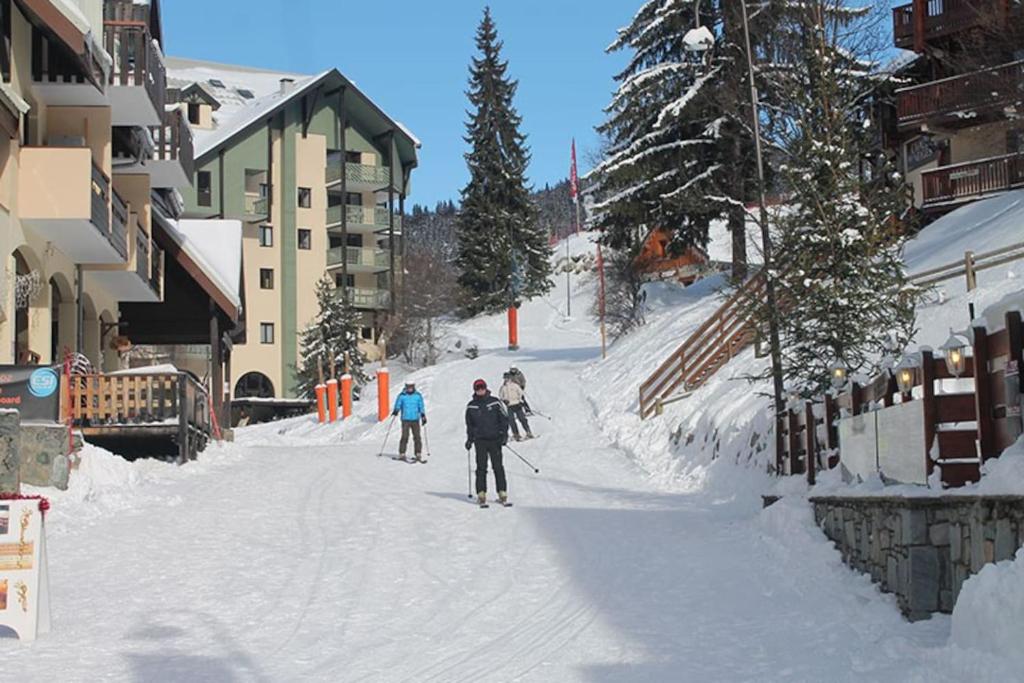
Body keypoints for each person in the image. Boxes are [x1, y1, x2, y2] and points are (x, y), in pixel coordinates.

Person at [465, 378, 509, 506]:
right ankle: (481, 493)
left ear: (486, 388)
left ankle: (502, 492)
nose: (480, 390)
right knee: (481, 468)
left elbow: (504, 419)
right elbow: (470, 425)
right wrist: (469, 439)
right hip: (480, 441)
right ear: (475, 390)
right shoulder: (471, 405)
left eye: (482, 387)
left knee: (498, 467)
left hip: (495, 439)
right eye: (478, 388)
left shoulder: (494, 402)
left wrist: (504, 434)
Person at [392, 381, 427, 461]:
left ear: (413, 387)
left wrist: (423, 415)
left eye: (411, 387)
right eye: (408, 387)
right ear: (406, 387)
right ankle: (402, 453)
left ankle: (418, 453)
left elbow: (421, 406)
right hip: (405, 419)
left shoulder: (418, 396)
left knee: (417, 437)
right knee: (405, 436)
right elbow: (398, 404)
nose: (410, 389)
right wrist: (396, 410)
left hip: (415, 419)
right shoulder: (402, 396)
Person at [499, 372, 533, 441]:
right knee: (511, 421)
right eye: (505, 378)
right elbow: (500, 396)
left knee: (522, 419)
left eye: (508, 378)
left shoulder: (515, 385)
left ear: (510, 378)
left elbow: (521, 393)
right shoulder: (503, 387)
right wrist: (504, 400)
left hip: (517, 404)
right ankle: (516, 434)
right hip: (509, 406)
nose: (506, 380)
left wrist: (520, 401)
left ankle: (528, 431)